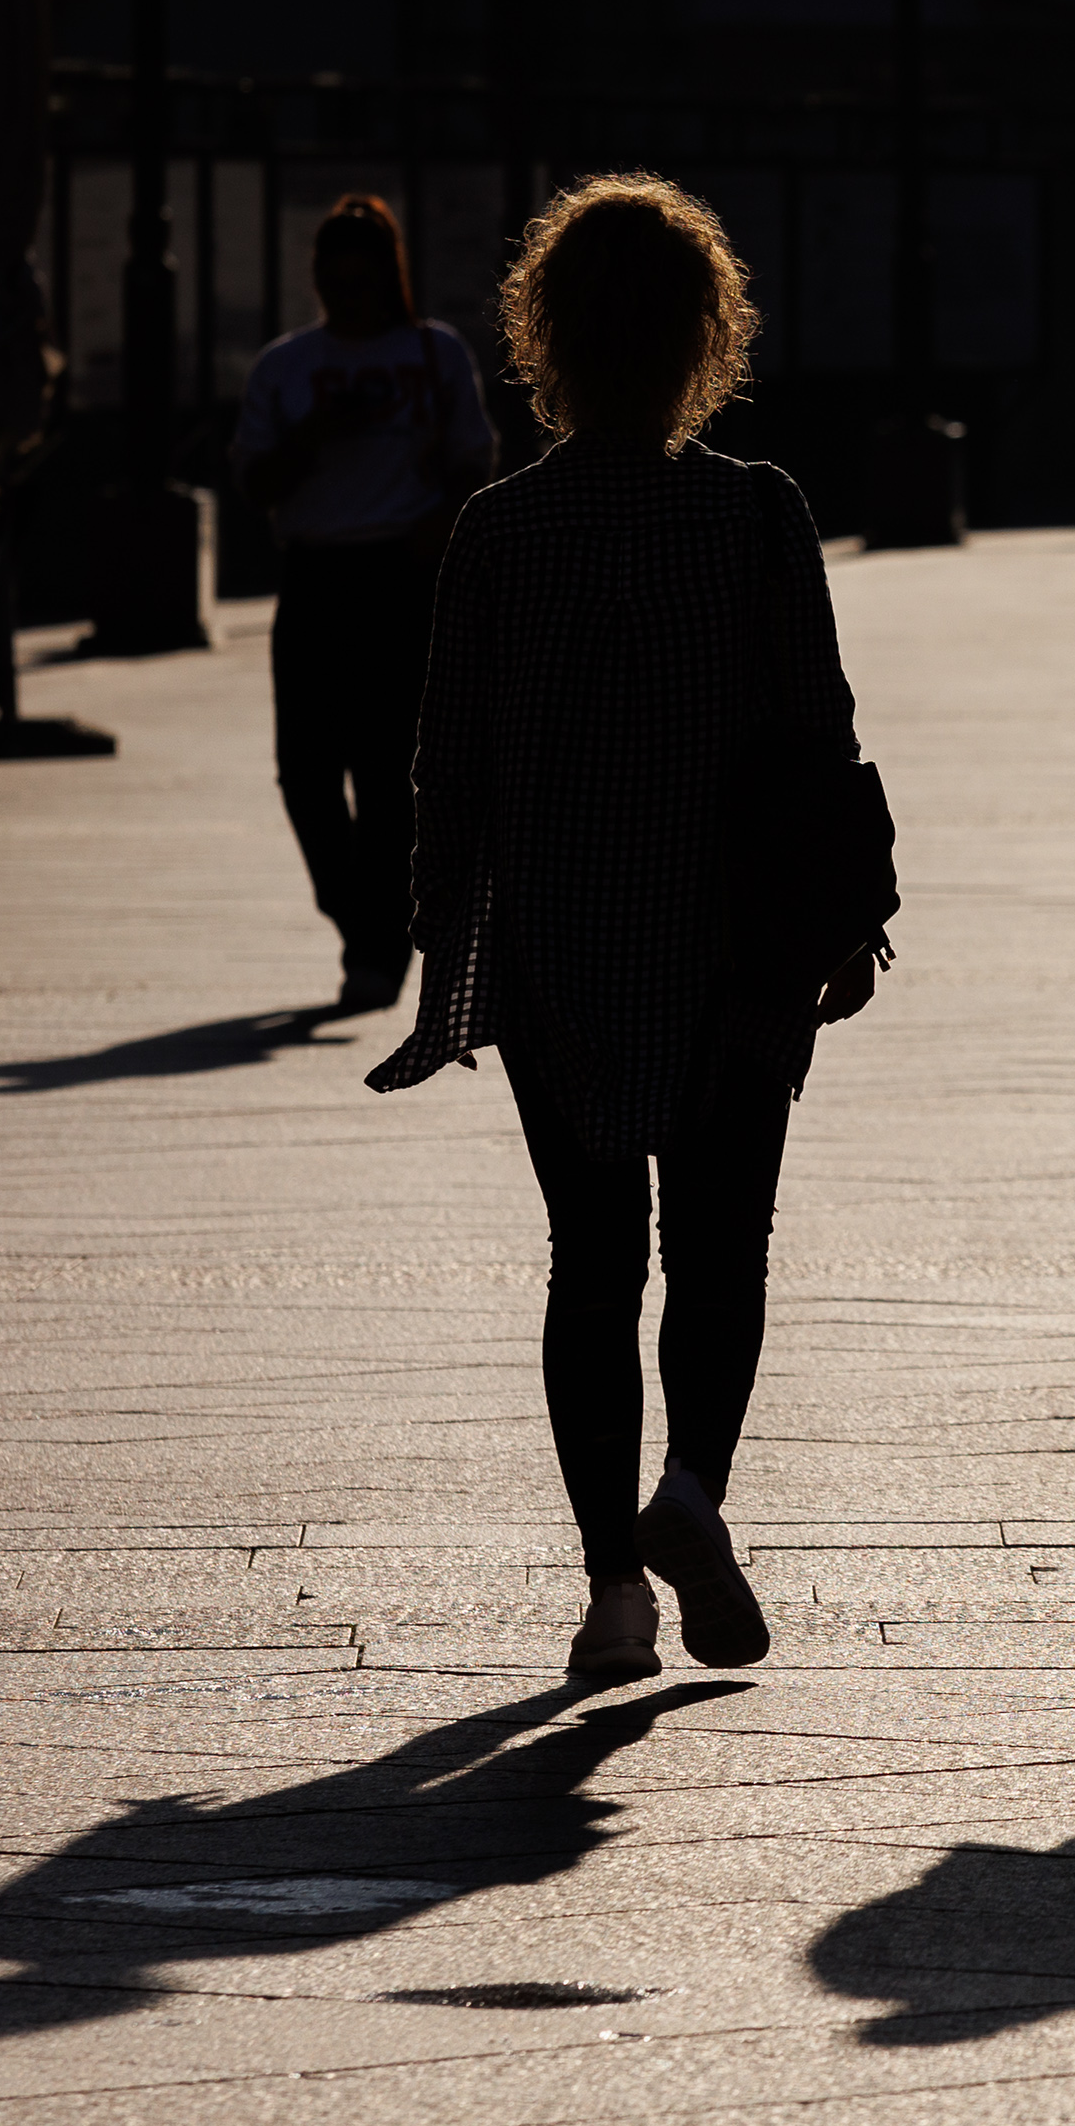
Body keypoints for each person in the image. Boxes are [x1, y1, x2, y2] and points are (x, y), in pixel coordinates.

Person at [367, 174, 883, 1689]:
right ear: (703, 339)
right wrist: (847, 916)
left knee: (590, 1261)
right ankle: (693, 1492)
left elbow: (443, 766)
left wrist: (441, 945)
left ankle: (609, 1590)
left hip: (559, 949)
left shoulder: (499, 533)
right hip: (734, 947)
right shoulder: (758, 512)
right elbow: (818, 731)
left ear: (550, 343)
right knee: (721, 1245)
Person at [235, 195, 499, 1010]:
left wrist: (441, 528)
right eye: (336, 282)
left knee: (389, 774)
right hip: (316, 573)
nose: (351, 298)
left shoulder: (434, 355)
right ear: (318, 281)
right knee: (304, 771)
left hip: (401, 576)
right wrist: (312, 436)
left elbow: (473, 464)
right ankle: (359, 915)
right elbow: (254, 483)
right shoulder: (286, 367)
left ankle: (376, 944)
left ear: (391, 277)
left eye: (365, 281)